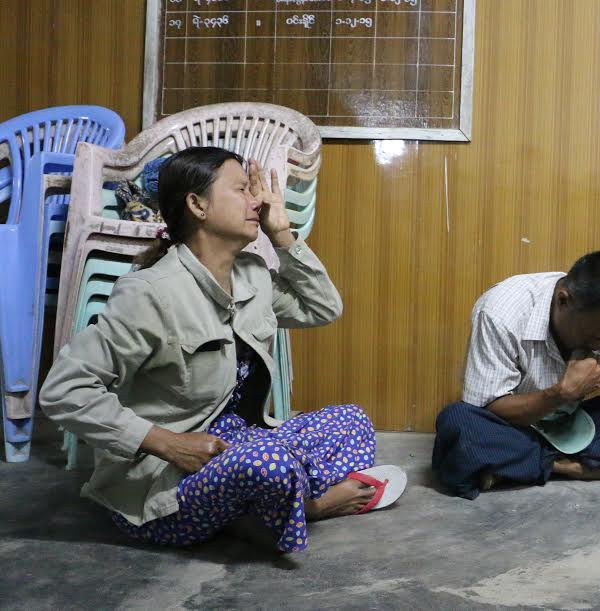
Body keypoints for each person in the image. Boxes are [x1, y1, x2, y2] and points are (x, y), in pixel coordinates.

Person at [40, 147, 405, 553]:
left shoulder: (250, 276)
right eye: (242, 190)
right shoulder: (149, 293)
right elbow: (63, 390)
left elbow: (322, 307)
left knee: (351, 421)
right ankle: (308, 504)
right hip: (166, 483)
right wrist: (166, 442)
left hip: (238, 442)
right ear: (197, 204)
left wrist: (283, 236)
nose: (258, 201)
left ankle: (257, 508)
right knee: (269, 463)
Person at [432, 251, 600, 499]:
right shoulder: (501, 313)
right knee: (458, 422)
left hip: (571, 428)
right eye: (594, 336)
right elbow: (488, 406)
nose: (598, 346)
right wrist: (561, 394)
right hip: (511, 426)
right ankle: (566, 467)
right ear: (563, 300)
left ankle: (513, 465)